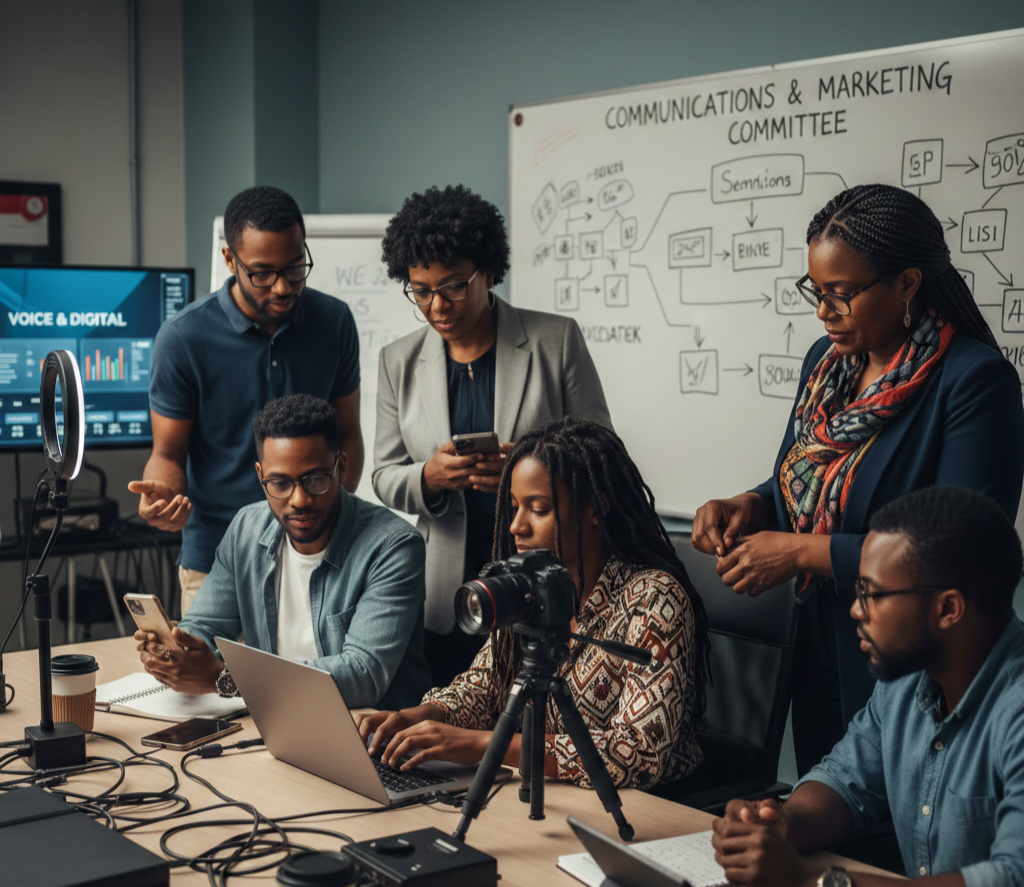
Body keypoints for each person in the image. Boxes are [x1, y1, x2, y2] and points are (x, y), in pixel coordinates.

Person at [691, 183, 1024, 773]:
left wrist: (800, 552)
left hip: (908, 651)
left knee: (897, 832)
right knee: (831, 805)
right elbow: (809, 478)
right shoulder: (825, 363)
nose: (824, 312)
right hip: (811, 633)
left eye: (842, 295)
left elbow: (962, 550)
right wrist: (752, 504)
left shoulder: (974, 380)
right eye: (816, 292)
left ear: (907, 284)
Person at [712, 485, 1024, 887]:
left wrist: (816, 886)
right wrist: (781, 823)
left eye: (871, 593)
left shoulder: (1016, 710)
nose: (856, 611)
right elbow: (843, 780)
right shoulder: (905, 679)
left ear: (948, 609)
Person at [358, 418, 711, 791]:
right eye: (513, 507)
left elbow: (637, 755)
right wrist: (420, 716)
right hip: (554, 792)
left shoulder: (654, 598)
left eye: (538, 509)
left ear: (596, 509)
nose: (516, 527)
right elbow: (483, 689)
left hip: (651, 807)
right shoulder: (529, 587)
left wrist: (484, 746)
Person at [373, 184, 612, 686]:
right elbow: (384, 475)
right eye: (421, 290)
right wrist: (431, 478)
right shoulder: (397, 362)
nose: (437, 304)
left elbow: (603, 458)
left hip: (544, 581)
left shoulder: (556, 340)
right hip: (446, 593)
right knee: (452, 727)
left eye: (454, 286)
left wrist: (530, 474)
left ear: (490, 273)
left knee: (532, 738)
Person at [129, 186, 364, 615]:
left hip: (316, 554)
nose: (282, 287)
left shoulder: (334, 323)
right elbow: (167, 453)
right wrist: (165, 498)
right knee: (208, 680)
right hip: (216, 558)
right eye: (262, 273)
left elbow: (346, 434)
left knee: (308, 681)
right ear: (229, 261)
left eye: (295, 269)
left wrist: (329, 522)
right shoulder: (184, 338)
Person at [135, 394, 430, 711]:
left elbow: (363, 676)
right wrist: (176, 651)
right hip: (276, 721)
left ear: (341, 467)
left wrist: (226, 678)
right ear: (261, 476)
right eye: (279, 482)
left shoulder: (394, 546)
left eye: (315, 479)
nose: (299, 499)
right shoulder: (246, 529)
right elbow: (205, 626)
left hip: (372, 737)